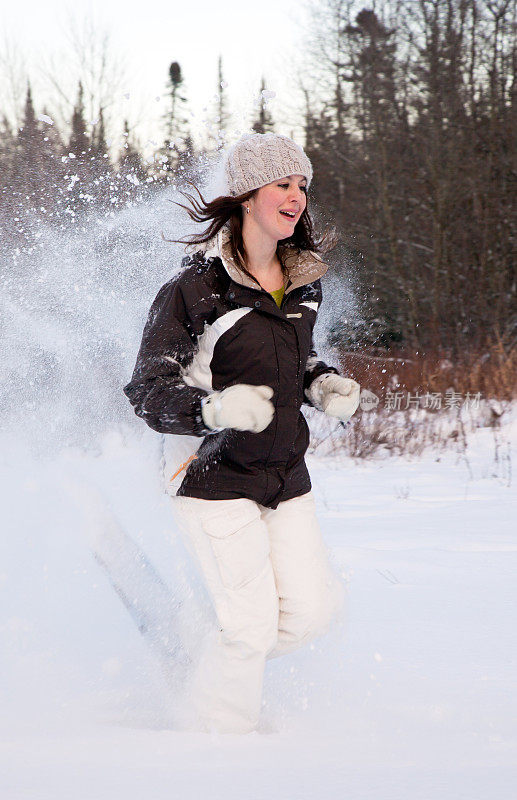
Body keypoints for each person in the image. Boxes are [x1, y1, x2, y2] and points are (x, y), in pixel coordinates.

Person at [123, 132, 361, 734]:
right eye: (283, 183)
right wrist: (214, 411)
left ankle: (202, 649)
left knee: (311, 613)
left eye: (302, 185)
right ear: (247, 195)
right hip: (208, 474)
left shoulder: (304, 283)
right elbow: (146, 391)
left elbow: (293, 361)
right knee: (249, 627)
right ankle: (218, 749)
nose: (296, 196)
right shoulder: (193, 290)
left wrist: (322, 382)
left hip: (282, 471)